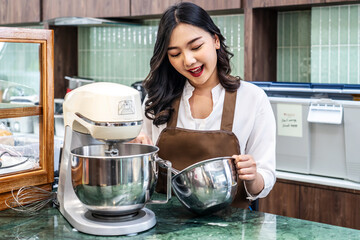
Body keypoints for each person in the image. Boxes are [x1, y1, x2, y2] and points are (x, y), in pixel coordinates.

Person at [132, 2, 276, 208]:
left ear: (215, 40)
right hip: (167, 226)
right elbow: (144, 177)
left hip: (231, 227)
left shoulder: (252, 99)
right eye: (175, 54)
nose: (188, 60)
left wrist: (252, 177)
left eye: (196, 47)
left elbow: (265, 178)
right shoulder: (157, 100)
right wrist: (136, 154)